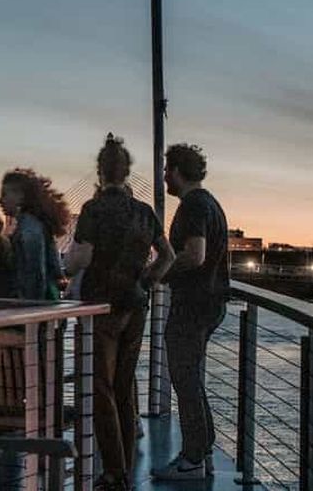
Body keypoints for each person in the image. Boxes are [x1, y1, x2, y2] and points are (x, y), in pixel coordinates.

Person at [66, 135, 174, 491]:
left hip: (103, 306)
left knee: (101, 388)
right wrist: (146, 280)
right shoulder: (145, 211)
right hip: (136, 305)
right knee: (125, 388)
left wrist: (69, 266)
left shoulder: (93, 210)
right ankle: (125, 466)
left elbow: (80, 258)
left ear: (100, 172)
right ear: (127, 172)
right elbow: (168, 257)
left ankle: (114, 473)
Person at [153, 144, 229, 481]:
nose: (165, 176)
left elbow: (195, 255)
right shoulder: (211, 203)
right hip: (210, 304)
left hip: (193, 305)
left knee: (184, 380)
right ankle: (203, 450)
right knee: (192, 379)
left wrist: (160, 271)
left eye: (168, 169)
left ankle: (192, 459)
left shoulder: (193, 205)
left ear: (179, 171)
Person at [0, 168, 69, 300]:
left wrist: (31, 309)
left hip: (35, 307)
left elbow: (35, 274)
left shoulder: (29, 228)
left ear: (21, 196)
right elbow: (55, 269)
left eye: (4, 194)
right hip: (48, 303)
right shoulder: (35, 223)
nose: (0, 200)